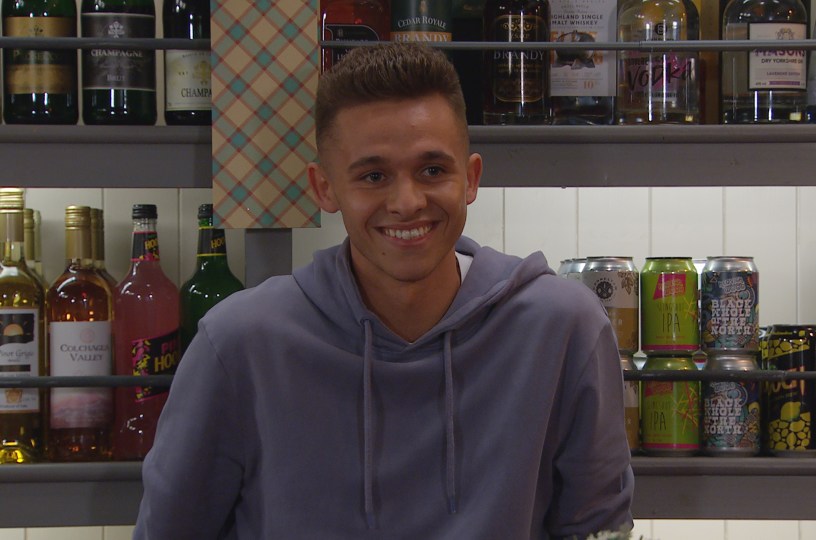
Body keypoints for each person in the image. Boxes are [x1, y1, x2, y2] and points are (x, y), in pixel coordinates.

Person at [133, 42, 634, 539]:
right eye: (373, 176)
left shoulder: (564, 327)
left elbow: (598, 529)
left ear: (471, 178)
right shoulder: (237, 344)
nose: (406, 202)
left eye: (432, 170)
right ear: (324, 187)